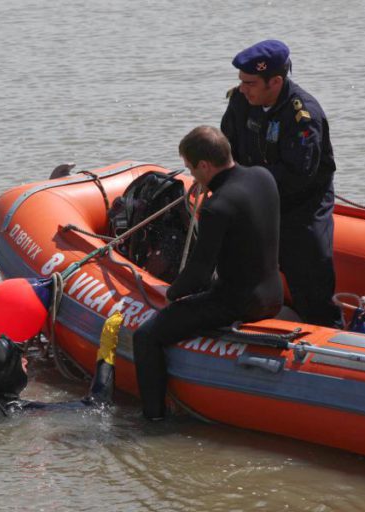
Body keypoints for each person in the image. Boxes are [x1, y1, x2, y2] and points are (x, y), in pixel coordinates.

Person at [133, 126, 283, 421]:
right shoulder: (263, 177)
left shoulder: (217, 206)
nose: (192, 176)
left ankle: (152, 418)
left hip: (239, 303)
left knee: (145, 337)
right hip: (273, 295)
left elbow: (199, 276)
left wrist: (171, 293)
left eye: (190, 168)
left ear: (205, 165)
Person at [221, 39, 340, 327]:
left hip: (300, 211)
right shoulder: (241, 101)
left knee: (312, 285)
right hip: (254, 203)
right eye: (242, 82)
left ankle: (326, 334)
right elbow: (227, 148)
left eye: (250, 83)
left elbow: (298, 175)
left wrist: (247, 184)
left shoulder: (303, 115)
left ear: (274, 82)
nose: (243, 88)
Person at [0, 312, 122, 421]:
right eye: (19, 361)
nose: (26, 361)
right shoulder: (17, 409)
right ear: (9, 374)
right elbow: (98, 405)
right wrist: (106, 351)